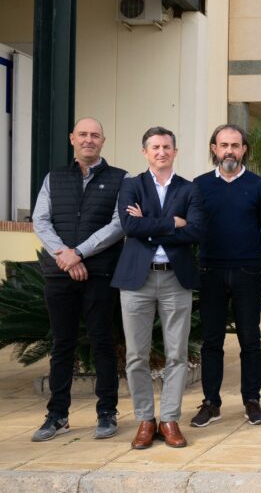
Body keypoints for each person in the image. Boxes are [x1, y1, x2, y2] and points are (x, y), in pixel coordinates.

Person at [30, 118, 126, 442]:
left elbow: (117, 224)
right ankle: (57, 415)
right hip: (60, 275)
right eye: (83, 134)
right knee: (62, 345)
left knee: (102, 341)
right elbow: (40, 220)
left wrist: (80, 253)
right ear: (72, 138)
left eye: (94, 135)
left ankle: (107, 411)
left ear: (103, 141)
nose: (88, 140)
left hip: (100, 275)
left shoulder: (119, 179)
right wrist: (65, 255)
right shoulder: (54, 178)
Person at [113, 126, 205, 449]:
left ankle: (169, 419)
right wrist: (171, 223)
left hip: (174, 279)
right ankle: (145, 419)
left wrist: (148, 226)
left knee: (176, 353)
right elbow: (129, 226)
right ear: (145, 152)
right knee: (136, 355)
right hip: (136, 279)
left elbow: (194, 232)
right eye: (155, 147)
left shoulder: (189, 189)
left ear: (175, 152)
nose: (161, 152)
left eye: (167, 146)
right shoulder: (131, 186)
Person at [190, 124, 261, 428]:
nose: (229, 151)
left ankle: (252, 399)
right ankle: (211, 402)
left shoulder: (258, 185)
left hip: (247, 272)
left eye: (235, 145)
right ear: (214, 149)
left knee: (250, 340)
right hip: (209, 271)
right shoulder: (198, 186)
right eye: (223, 145)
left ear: (244, 149)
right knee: (211, 341)